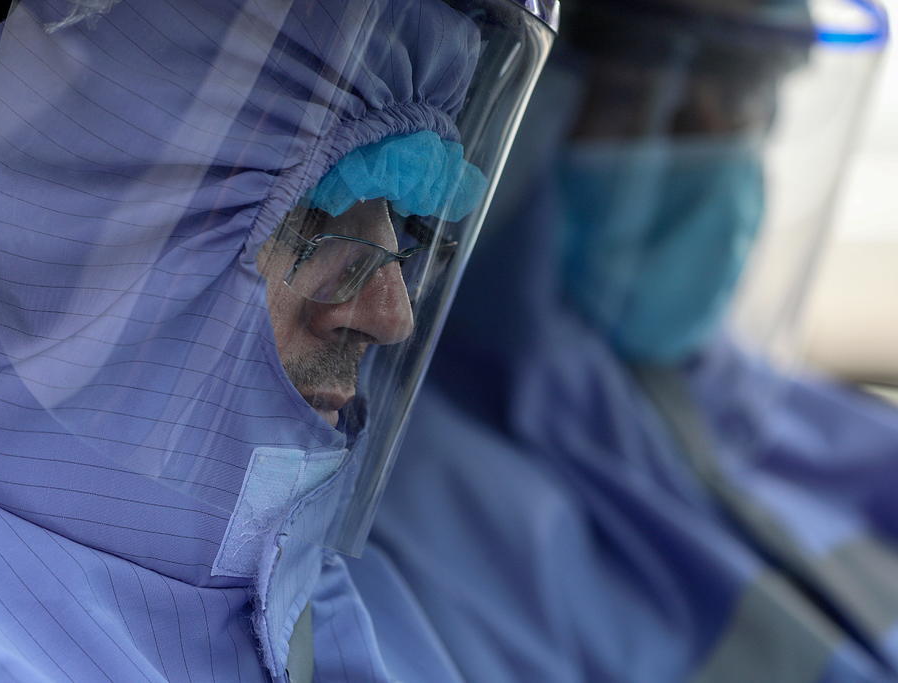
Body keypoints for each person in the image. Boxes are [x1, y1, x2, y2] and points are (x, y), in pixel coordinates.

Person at [0, 0, 555, 680]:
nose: (390, 315)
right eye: (308, 217)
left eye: (403, 225)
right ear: (57, 230)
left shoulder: (300, 595)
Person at [350, 0, 898, 681]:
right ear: (511, 109)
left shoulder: (819, 430)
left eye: (743, 90)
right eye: (639, 99)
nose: (719, 148)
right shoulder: (410, 512)